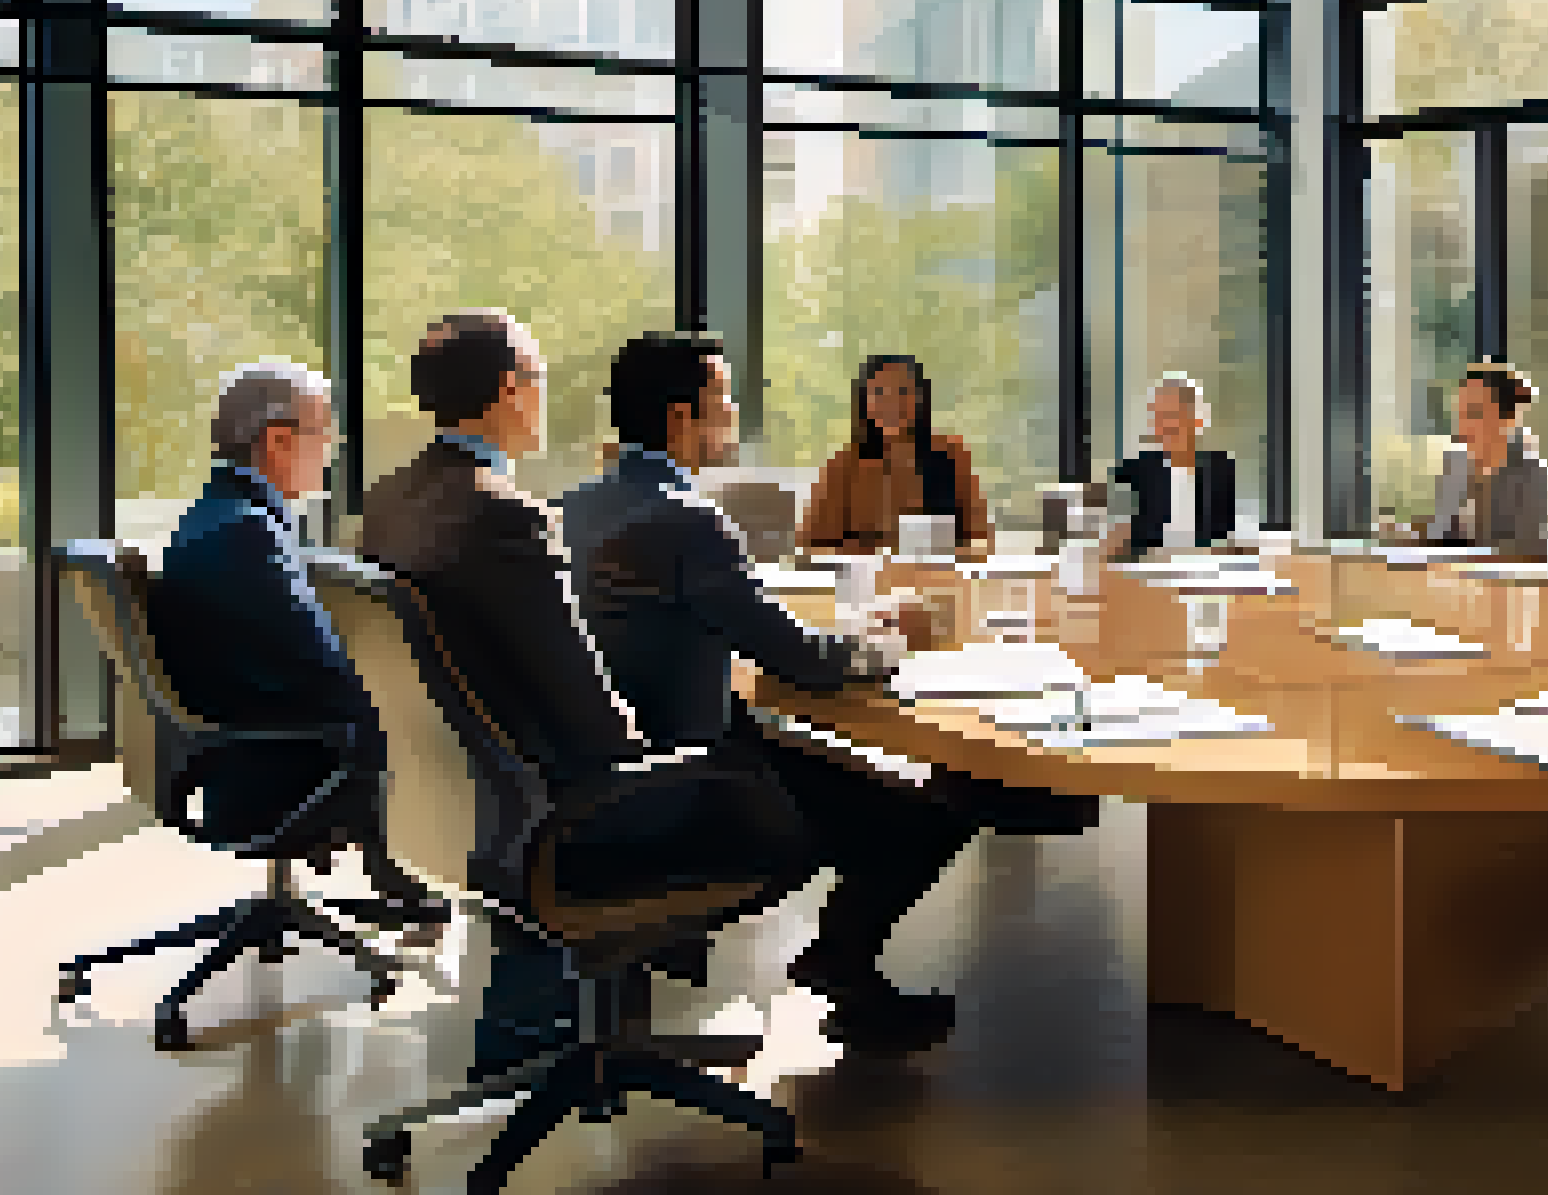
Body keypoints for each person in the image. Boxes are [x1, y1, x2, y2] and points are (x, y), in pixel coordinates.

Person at [559, 332, 1091, 1053]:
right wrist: (891, 641)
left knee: (856, 770)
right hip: (693, 774)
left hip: (623, 752)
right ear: (684, 418)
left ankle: (840, 961)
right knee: (930, 809)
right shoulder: (685, 519)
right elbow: (803, 659)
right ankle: (843, 964)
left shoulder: (579, 506)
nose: (734, 415)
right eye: (723, 401)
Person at [360, 311, 841, 1080]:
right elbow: (595, 728)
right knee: (823, 790)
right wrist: (663, 764)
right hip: (560, 814)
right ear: (512, 391)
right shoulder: (506, 515)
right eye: (539, 381)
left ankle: (584, 1002)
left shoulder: (389, 501)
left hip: (454, 802)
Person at [152, 359, 446, 931]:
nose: (333, 447)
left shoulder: (218, 517)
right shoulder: (247, 532)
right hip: (268, 769)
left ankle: (399, 884)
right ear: (279, 440)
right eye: (326, 431)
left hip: (235, 754)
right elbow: (324, 673)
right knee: (418, 718)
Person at [801, 355, 992, 554]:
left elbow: (980, 541)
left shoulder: (951, 456)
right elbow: (810, 548)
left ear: (920, 398)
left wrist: (949, 555)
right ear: (864, 400)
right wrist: (876, 556)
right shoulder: (843, 467)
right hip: (864, 581)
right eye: (879, 392)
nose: (892, 402)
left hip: (941, 580)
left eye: (903, 392)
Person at [1422, 361, 1548, 557]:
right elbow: (1440, 537)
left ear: (1508, 419)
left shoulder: (1535, 478)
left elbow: (1524, 557)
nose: (1462, 426)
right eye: (1459, 414)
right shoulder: (1455, 465)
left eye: (1474, 413)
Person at [1107, 374, 1237, 559]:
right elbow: (1115, 540)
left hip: (1205, 573)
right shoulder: (1134, 471)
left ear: (1196, 419)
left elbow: (1227, 539)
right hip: (1147, 574)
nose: (1164, 426)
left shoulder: (1219, 470)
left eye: (1172, 416)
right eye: (1158, 417)